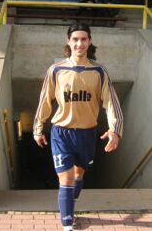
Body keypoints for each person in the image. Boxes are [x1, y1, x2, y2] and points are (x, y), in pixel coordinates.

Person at [33, 23, 123, 231]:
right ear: (68, 42)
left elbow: (111, 103)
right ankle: (67, 225)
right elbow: (45, 101)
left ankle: (69, 208)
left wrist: (115, 130)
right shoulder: (56, 70)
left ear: (89, 42)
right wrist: (38, 128)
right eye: (75, 39)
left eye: (83, 39)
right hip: (61, 133)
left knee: (79, 175)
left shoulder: (99, 72)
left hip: (87, 133)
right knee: (66, 177)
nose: (79, 43)